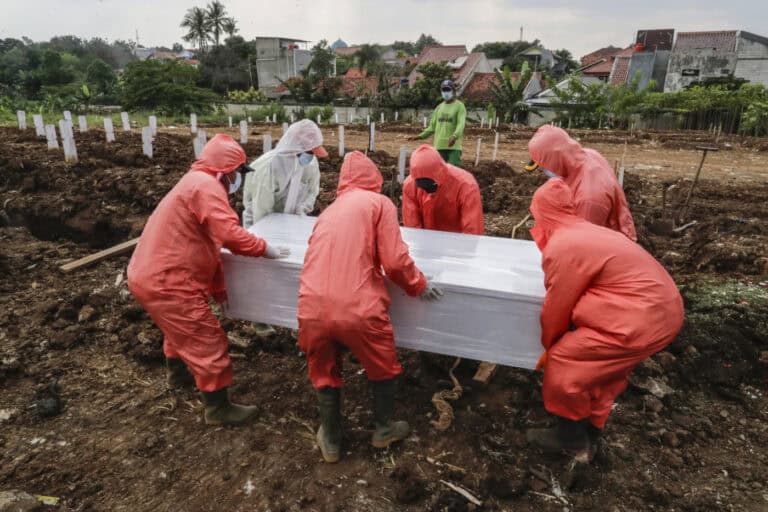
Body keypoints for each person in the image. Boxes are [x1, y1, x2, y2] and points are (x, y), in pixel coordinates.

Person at [128, 134, 290, 426]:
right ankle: (218, 408)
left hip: (152, 274)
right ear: (226, 171)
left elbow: (211, 235)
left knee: (180, 331)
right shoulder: (206, 186)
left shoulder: (193, 181)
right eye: (237, 173)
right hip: (169, 280)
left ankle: (179, 376)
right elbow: (228, 233)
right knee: (206, 338)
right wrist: (265, 249)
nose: (238, 179)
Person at [298, 151, 443, 463]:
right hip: (358, 308)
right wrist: (418, 284)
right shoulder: (379, 203)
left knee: (323, 368)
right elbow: (394, 261)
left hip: (311, 307)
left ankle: (331, 439)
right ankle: (383, 429)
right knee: (381, 363)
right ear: (374, 179)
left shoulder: (328, 212)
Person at [525, 179, 683, 459]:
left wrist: (549, 345)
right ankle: (592, 431)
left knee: (566, 360)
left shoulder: (563, 245)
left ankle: (571, 438)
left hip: (639, 318)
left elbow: (557, 306)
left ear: (542, 212)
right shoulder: (587, 231)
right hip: (664, 312)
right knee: (605, 371)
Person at [526, 125, 637, 241]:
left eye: (544, 166)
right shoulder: (588, 155)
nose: (544, 171)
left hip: (607, 246)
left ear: (555, 162)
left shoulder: (588, 200)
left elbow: (583, 244)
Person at [242, 119, 327, 228]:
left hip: (292, 224)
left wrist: (302, 208)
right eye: (309, 152)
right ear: (295, 148)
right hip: (260, 224)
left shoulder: (310, 164)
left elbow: (312, 190)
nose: (311, 156)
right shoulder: (269, 167)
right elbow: (261, 210)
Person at [402, 144, 484, 235]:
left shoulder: (466, 185)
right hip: (424, 240)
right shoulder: (410, 186)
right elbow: (412, 228)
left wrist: (462, 244)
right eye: (422, 186)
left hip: (456, 240)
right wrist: (418, 242)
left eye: (431, 185)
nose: (426, 190)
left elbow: (472, 231)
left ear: (439, 173)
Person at [409, 80, 466, 166]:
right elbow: (432, 127)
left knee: (453, 168)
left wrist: (455, 136)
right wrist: (419, 136)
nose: (446, 92)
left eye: (448, 90)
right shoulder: (439, 107)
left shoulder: (460, 106)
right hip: (439, 146)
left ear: (453, 91)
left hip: (453, 146)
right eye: (444, 90)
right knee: (439, 170)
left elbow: (461, 124)